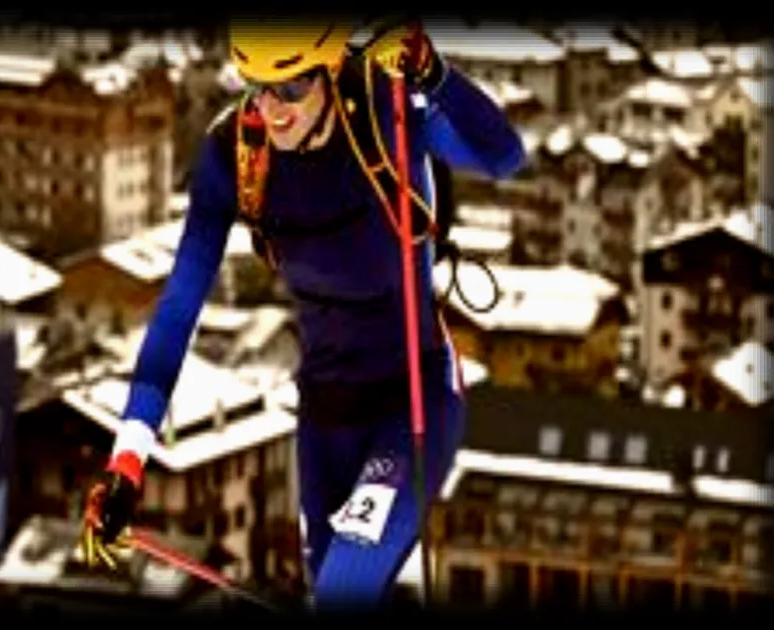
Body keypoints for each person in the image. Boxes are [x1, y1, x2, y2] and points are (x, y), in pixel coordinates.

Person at [79, 17, 525, 612]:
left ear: (332, 71)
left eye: (292, 89)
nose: (274, 108)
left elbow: (503, 156)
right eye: (258, 86)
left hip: (410, 401)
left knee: (343, 593)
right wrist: (127, 460)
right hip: (323, 420)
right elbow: (178, 311)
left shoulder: (385, 108)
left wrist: (436, 76)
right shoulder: (234, 154)